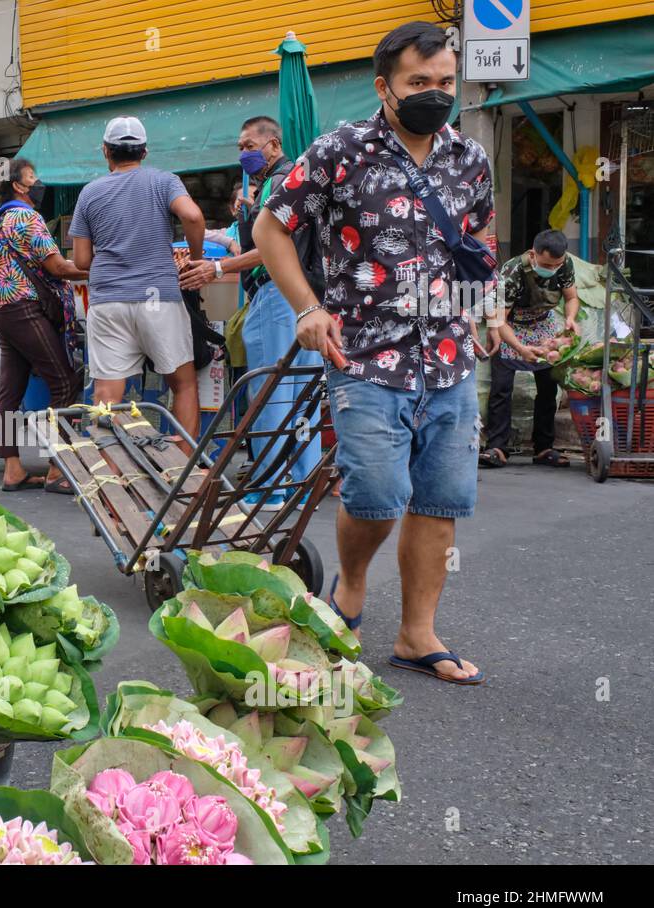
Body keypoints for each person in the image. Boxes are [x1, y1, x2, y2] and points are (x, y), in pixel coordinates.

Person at [251, 21, 495, 685]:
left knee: (441, 501)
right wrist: (307, 306)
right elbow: (270, 225)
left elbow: (477, 238)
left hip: (449, 355)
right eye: (420, 82)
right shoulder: (341, 150)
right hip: (363, 352)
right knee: (378, 492)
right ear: (385, 86)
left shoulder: (469, 160)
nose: (435, 93)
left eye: (445, 81)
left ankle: (418, 634)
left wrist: (484, 307)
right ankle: (350, 591)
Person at [182, 117, 326, 509]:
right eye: (240, 147)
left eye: (249, 146)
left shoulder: (279, 185)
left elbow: (274, 249)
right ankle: (302, 486)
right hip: (307, 297)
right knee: (302, 395)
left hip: (277, 293)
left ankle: (269, 489)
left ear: (274, 145)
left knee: (270, 392)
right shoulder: (291, 182)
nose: (243, 153)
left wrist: (217, 267)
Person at [69, 116, 206, 440]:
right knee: (182, 383)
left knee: (106, 394)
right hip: (157, 296)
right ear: (144, 152)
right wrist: (197, 259)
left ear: (106, 152)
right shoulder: (164, 181)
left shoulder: (89, 193)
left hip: (107, 301)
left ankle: (110, 480)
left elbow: (81, 260)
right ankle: (183, 470)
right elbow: (193, 215)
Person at [0, 157, 87, 492]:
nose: (38, 183)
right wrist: (109, 270)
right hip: (25, 311)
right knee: (65, 385)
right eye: (33, 178)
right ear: (19, 186)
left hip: (4, 315)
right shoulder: (27, 217)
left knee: (10, 393)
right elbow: (59, 268)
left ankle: (13, 469)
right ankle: (57, 469)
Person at [480, 228, 580, 469]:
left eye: (556, 264)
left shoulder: (564, 264)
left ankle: (544, 447)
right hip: (508, 325)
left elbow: (572, 297)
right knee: (502, 388)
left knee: (548, 387)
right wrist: (520, 348)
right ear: (533, 254)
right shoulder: (513, 271)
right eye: (547, 264)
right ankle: (497, 447)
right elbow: (499, 319)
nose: (553, 268)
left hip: (543, 324)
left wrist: (570, 318)